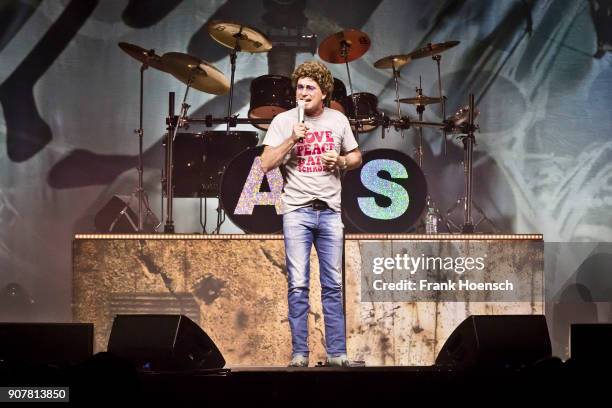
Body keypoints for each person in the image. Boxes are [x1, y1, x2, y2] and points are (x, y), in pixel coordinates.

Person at [260, 60, 362, 367]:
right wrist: (292, 138)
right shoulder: (283, 121)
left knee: (332, 285)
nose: (303, 93)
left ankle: (337, 353)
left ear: (324, 93)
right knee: (298, 284)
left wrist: (342, 161)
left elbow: (357, 156)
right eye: (300, 87)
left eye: (310, 88)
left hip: (330, 212)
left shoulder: (338, 120)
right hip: (296, 211)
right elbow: (266, 164)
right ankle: (300, 354)